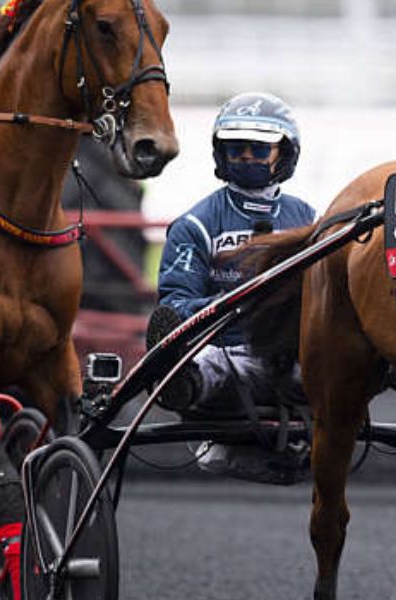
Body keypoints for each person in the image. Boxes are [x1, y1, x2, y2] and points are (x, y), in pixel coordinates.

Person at [148, 91, 315, 440]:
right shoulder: (196, 224)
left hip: (294, 354)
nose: (246, 157)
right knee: (216, 366)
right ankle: (182, 381)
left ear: (284, 153)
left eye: (258, 149)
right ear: (221, 153)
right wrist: (238, 304)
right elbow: (174, 305)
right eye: (236, 148)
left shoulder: (310, 220)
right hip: (228, 350)